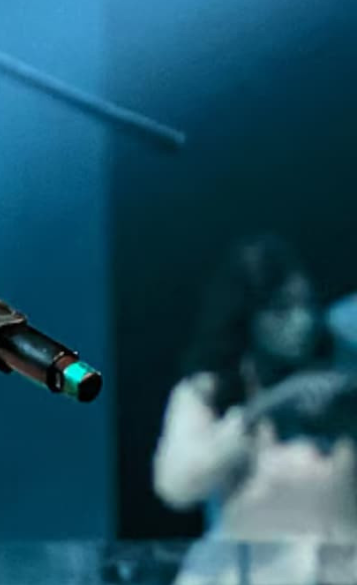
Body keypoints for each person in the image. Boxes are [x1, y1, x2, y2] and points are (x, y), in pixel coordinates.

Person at [152, 236, 357, 585]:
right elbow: (176, 485)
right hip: (249, 572)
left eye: (308, 305)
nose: (302, 321)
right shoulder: (212, 391)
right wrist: (263, 409)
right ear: (247, 315)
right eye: (281, 309)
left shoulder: (342, 379)